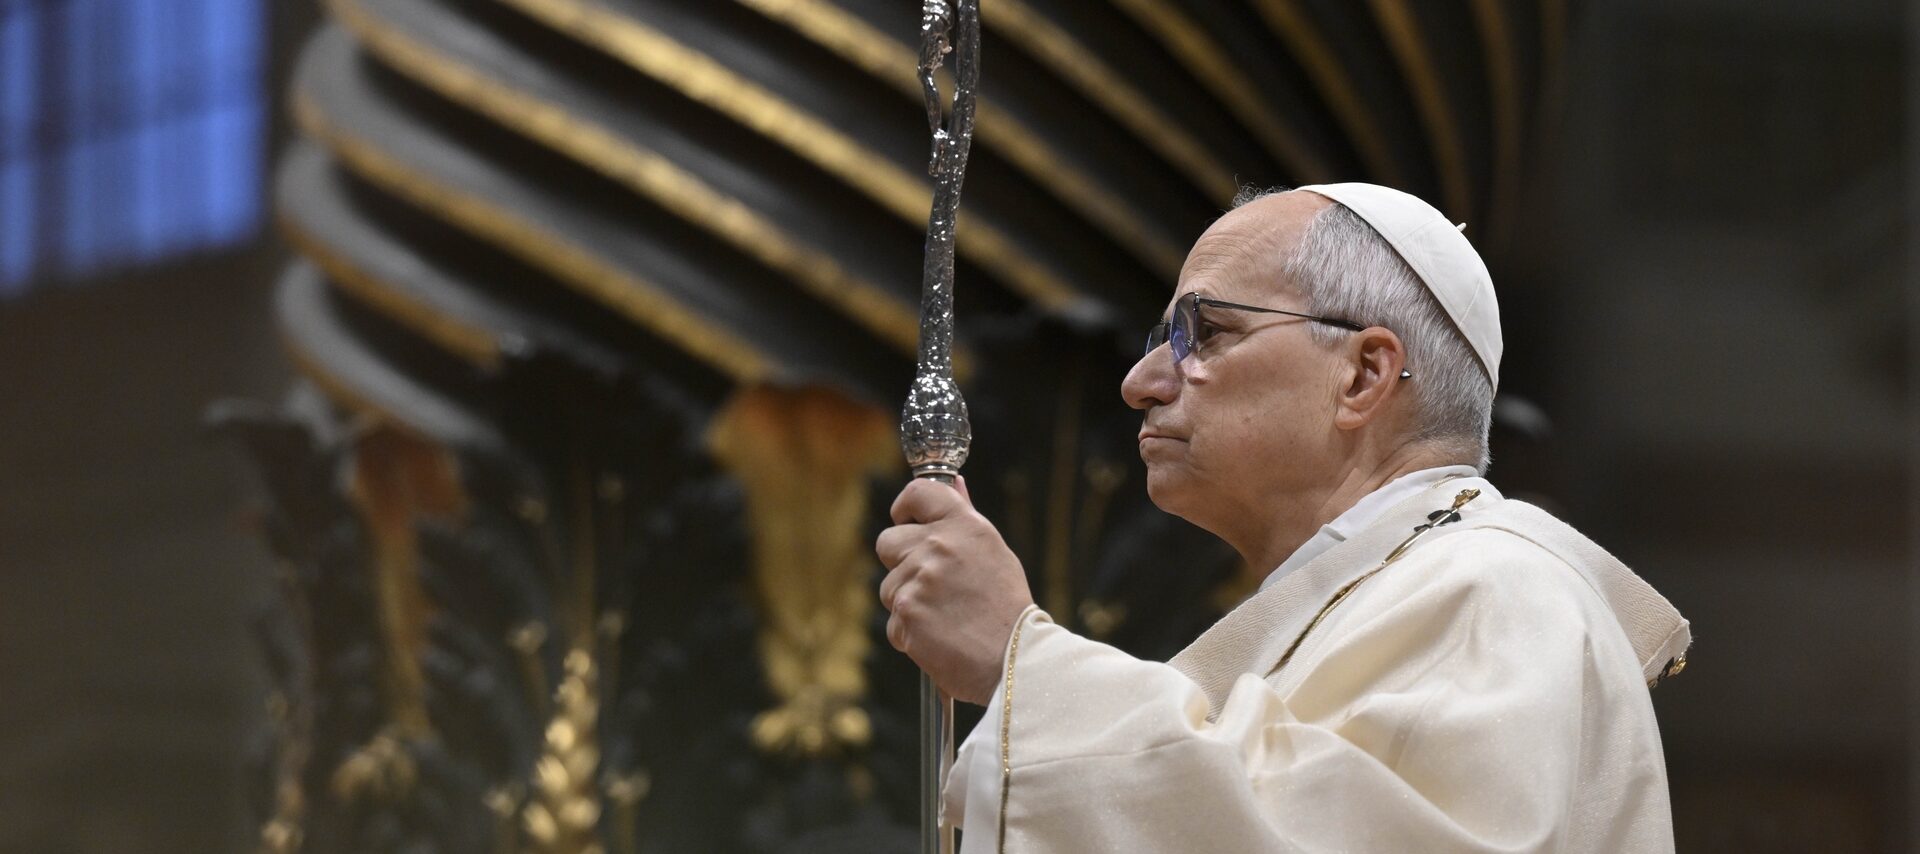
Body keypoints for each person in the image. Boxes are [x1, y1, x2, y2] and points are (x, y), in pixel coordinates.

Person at [874, 183, 1691, 852]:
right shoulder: (1383, 596)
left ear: (1365, 374)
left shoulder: (1499, 590)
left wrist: (1024, 667)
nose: (1141, 380)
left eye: (1205, 331)